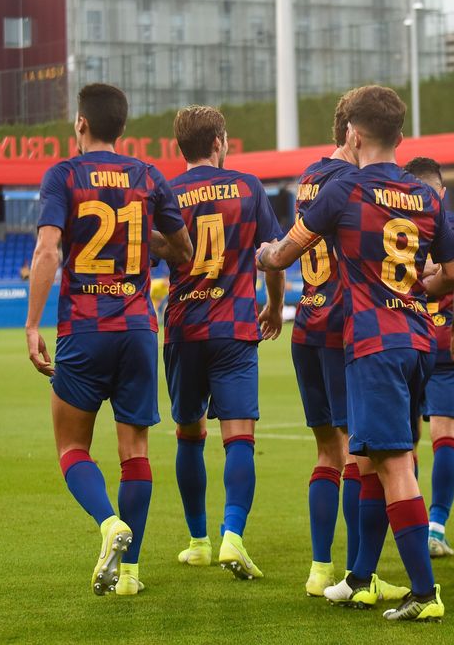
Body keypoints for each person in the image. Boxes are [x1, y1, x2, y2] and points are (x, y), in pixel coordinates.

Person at [258, 85, 454, 622]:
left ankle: (425, 593)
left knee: (393, 465)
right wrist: (416, 287)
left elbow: (283, 255)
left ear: (352, 133)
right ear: (400, 136)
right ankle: (360, 576)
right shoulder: (425, 195)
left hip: (374, 343)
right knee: (372, 458)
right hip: (419, 339)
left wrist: (263, 254)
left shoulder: (344, 188)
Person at [24, 83, 193, 598]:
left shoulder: (63, 175)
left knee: (72, 446)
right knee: (135, 451)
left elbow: (48, 251)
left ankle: (107, 522)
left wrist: (31, 325)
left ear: (81, 123)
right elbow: (183, 250)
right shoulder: (148, 176)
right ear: (122, 127)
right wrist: (140, 240)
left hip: (84, 328)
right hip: (138, 328)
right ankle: (131, 573)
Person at [290, 93, 407, 599]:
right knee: (362, 457)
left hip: (307, 322)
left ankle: (320, 569)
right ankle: (361, 576)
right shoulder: (352, 185)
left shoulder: (309, 177)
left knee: (327, 452)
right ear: (355, 134)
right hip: (345, 327)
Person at [161, 105, 285, 581]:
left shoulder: (166, 192)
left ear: (181, 146)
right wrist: (274, 306)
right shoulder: (248, 187)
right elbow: (272, 255)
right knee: (239, 439)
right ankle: (233, 535)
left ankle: (198, 543)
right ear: (218, 143)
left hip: (184, 328)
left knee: (189, 434)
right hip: (234, 328)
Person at [403, 157, 454, 558]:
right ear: (441, 193)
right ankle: (436, 526)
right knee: (446, 434)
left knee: (403, 440)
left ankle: (411, 527)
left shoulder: (395, 227)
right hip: (447, 340)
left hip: (404, 339)